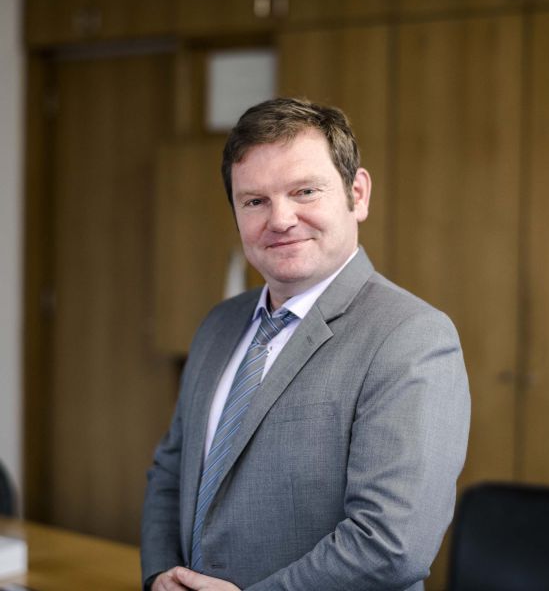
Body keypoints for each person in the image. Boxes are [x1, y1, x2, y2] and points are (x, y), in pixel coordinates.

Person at [141, 97, 470, 591]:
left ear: (357, 194)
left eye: (305, 191)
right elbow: (171, 470)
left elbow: (390, 543)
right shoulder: (218, 325)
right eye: (254, 201)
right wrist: (160, 575)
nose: (280, 219)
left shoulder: (412, 337)